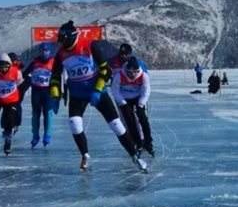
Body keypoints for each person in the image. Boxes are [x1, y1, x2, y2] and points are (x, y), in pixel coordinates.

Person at [48, 20, 148, 172]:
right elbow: (55, 76)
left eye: (62, 39)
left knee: (116, 125)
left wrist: (97, 89)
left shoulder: (90, 46)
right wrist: (55, 95)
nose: (61, 43)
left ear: (70, 37)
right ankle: (85, 154)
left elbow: (105, 71)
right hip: (77, 94)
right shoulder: (61, 54)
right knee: (74, 124)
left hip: (97, 90)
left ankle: (134, 155)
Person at [112, 56, 154, 156]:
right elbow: (115, 91)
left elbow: (146, 91)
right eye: (131, 72)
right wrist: (123, 104)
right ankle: (138, 143)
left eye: (136, 71)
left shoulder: (143, 76)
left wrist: (140, 104)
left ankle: (148, 143)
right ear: (127, 70)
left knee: (143, 119)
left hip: (138, 97)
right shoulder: (119, 75)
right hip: (125, 98)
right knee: (130, 121)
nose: (133, 74)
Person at [21, 42, 57, 147]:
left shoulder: (53, 62)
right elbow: (24, 74)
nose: (44, 52)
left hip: (48, 91)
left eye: (46, 51)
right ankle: (35, 135)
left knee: (48, 113)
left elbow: (59, 77)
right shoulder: (35, 62)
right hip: (36, 91)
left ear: (49, 52)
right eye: (42, 50)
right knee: (36, 113)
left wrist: (59, 92)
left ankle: (47, 135)